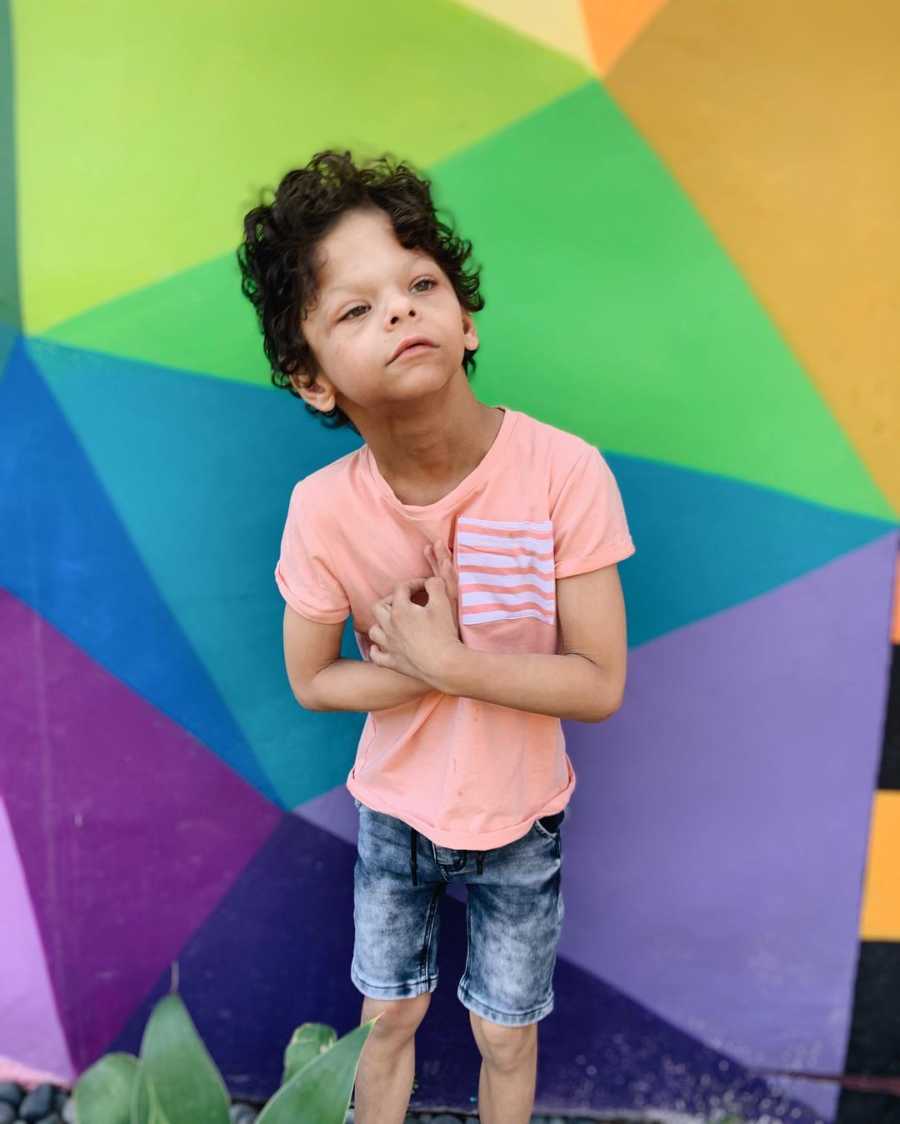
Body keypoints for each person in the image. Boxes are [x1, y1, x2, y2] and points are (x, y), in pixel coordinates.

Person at [237, 149, 636, 1124]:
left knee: (506, 1028)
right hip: (396, 814)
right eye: (355, 308)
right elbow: (314, 681)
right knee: (388, 1015)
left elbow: (599, 683)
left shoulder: (563, 473)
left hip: (521, 813)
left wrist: (449, 659)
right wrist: (419, 672)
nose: (401, 310)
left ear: (466, 319)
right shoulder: (321, 510)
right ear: (312, 378)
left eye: (420, 283)